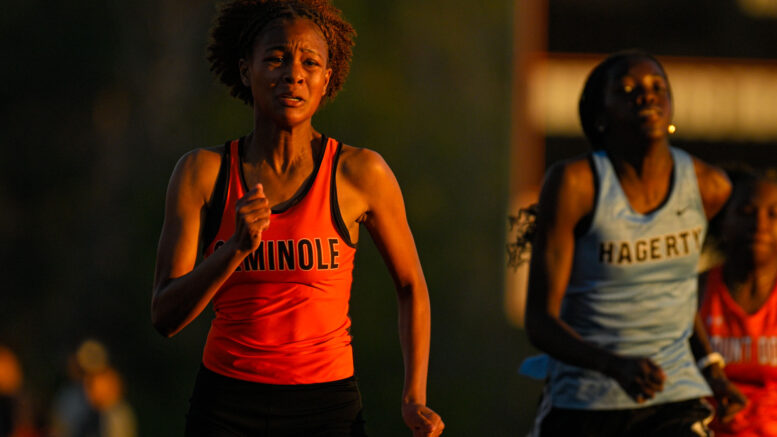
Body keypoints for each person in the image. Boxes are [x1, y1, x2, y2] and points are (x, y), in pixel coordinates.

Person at [150, 1, 444, 436]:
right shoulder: (202, 173)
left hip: (326, 408)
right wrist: (234, 249)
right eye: (275, 58)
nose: (293, 74)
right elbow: (164, 315)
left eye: (310, 62)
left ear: (328, 79)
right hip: (226, 403)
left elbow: (411, 286)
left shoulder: (360, 173)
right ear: (245, 70)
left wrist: (413, 397)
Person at [523, 50, 746, 436]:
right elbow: (540, 322)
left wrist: (711, 369)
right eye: (627, 89)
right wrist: (615, 365)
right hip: (585, 403)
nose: (646, 95)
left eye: (658, 87)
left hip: (673, 400)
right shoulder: (576, 185)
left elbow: (674, 298)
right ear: (599, 115)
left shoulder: (708, 186)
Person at [699, 168, 777, 436]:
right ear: (722, 220)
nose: (760, 224)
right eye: (746, 211)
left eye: (773, 214)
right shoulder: (695, 292)